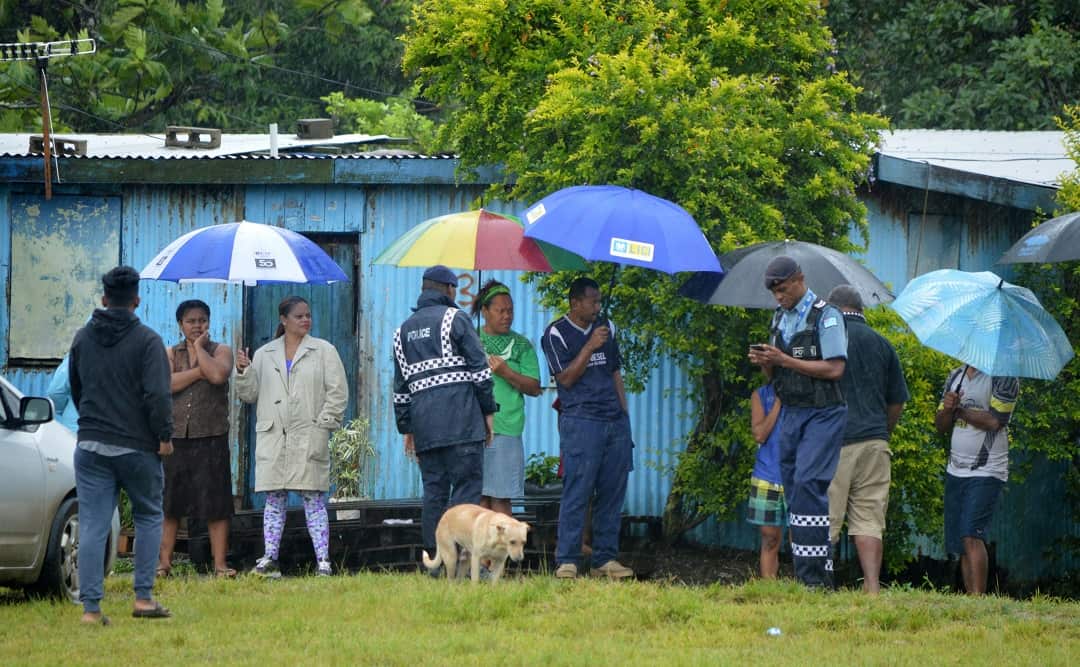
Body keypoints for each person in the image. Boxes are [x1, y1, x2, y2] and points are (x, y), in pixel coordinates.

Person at [69, 265, 174, 624]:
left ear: (103, 300)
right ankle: (143, 599)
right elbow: (158, 395)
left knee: (95, 524)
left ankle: (91, 609)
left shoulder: (82, 338)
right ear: (137, 301)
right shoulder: (147, 341)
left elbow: (77, 387)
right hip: (137, 447)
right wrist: (164, 435)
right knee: (147, 516)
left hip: (91, 444)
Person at [748, 256, 847, 589]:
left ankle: (813, 578)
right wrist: (766, 361)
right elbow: (775, 372)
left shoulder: (826, 315)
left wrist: (784, 359)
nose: (779, 296)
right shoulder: (779, 317)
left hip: (823, 413)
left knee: (808, 483)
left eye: (783, 288)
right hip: (792, 411)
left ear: (800, 279)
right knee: (795, 490)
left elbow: (835, 369)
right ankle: (813, 576)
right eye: (774, 291)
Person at [236, 296, 348, 578]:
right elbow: (249, 395)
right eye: (299, 316)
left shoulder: (324, 351)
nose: (306, 320)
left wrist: (324, 423)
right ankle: (269, 556)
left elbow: (337, 392)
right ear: (283, 320)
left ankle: (323, 560)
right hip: (274, 436)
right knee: (274, 499)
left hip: (309, 433)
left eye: (308, 315)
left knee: (313, 498)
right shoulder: (264, 354)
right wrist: (243, 370)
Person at [393, 266, 496, 567]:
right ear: (449, 290)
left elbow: (401, 388)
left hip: (425, 429)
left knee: (434, 495)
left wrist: (407, 428)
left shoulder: (401, 332)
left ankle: (436, 560)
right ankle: (461, 561)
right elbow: (481, 371)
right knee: (465, 491)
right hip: (462, 423)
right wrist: (488, 411)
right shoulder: (456, 319)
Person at [541, 277, 634, 580]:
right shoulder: (556, 334)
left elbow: (615, 371)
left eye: (599, 301)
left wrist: (624, 415)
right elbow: (565, 379)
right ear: (575, 303)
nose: (598, 307)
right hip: (581, 421)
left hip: (613, 421)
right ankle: (567, 559)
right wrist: (590, 344)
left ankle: (604, 559)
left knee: (612, 492)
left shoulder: (608, 327)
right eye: (592, 301)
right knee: (577, 490)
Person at [825, 285, 909, 594]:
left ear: (834, 309)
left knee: (827, 518)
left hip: (835, 442)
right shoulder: (883, 344)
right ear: (860, 308)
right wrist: (882, 430)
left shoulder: (828, 338)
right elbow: (897, 401)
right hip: (875, 442)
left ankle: (821, 584)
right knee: (870, 519)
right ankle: (872, 588)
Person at [157, 300, 236, 578]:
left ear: (209, 323)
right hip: (177, 436)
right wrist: (198, 372)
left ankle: (219, 565)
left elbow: (217, 375)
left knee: (217, 503)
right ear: (180, 324)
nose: (197, 325)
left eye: (202, 320)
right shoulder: (169, 352)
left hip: (211, 435)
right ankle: (163, 564)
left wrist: (200, 351)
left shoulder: (221, 350)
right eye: (191, 321)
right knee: (170, 503)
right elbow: (166, 384)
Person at [935, 364, 1019, 595]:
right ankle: (971, 601)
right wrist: (947, 410)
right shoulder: (956, 376)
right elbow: (941, 425)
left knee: (972, 533)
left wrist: (959, 411)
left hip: (987, 468)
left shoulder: (1003, 375)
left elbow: (996, 421)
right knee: (962, 541)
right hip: (956, 468)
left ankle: (979, 600)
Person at [472, 280, 542, 517]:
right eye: (500, 310)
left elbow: (534, 387)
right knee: (478, 501)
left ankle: (500, 554)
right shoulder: (469, 339)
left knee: (501, 500)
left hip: (506, 429)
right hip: (473, 428)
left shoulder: (521, 345)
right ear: (485, 311)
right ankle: (479, 554)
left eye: (510, 310)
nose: (507, 316)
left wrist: (506, 373)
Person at [747, 378, 786, 579]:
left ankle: (806, 592)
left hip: (798, 477)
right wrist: (778, 403)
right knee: (770, 538)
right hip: (767, 475)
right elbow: (760, 434)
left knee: (804, 537)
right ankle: (768, 590)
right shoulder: (760, 395)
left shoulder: (807, 392)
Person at [46, 354, 79, 432]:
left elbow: (55, 392)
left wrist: (64, 410)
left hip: (76, 429)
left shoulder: (79, 353)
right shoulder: (113, 355)